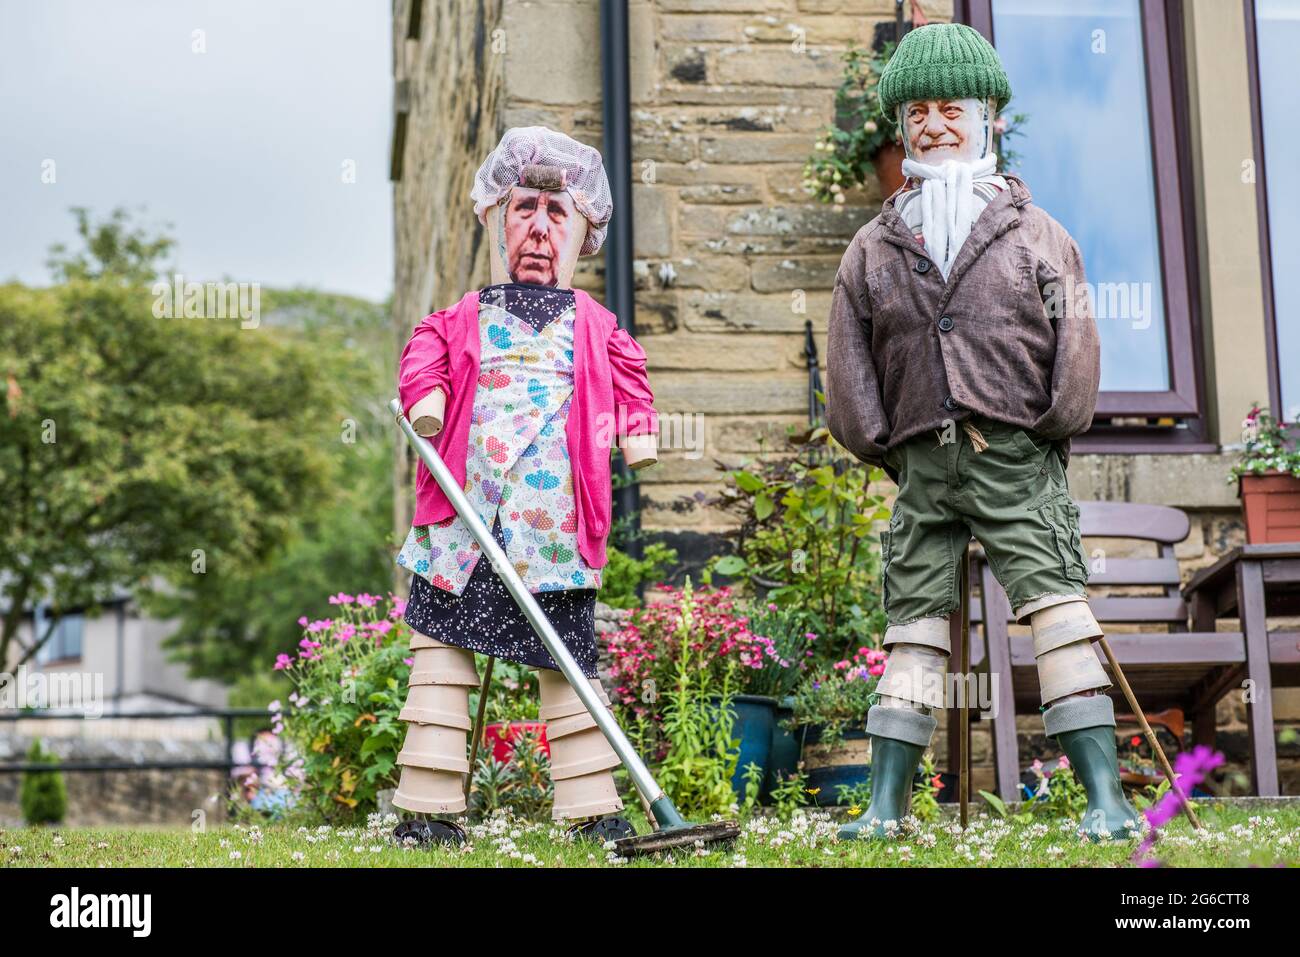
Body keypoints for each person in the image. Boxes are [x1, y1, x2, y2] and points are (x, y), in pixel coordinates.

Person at [826, 23, 1138, 841]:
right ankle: (885, 803)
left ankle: (1105, 798)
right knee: (914, 628)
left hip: (1015, 457)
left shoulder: (1040, 236)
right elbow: (850, 360)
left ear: (989, 115)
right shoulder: (871, 248)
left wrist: (1049, 428)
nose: (934, 124)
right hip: (922, 463)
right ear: (902, 126)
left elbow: (1076, 344)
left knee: (1059, 611)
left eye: (951, 107)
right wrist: (882, 441)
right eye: (918, 111)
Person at [390, 127, 659, 846]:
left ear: (582, 233)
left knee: (567, 667)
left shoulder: (598, 328)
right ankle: (428, 809)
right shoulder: (458, 319)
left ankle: (592, 809)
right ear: (496, 219)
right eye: (523, 210)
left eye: (557, 213)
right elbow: (424, 360)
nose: (539, 229)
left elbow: (630, 384)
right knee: (442, 667)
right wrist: (427, 402)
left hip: (553, 530)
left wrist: (639, 438)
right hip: (463, 525)